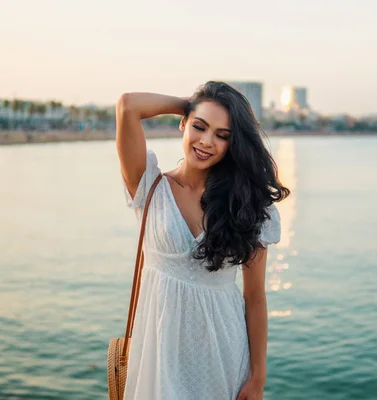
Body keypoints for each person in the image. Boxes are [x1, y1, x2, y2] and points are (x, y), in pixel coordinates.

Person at [116, 81, 290, 400]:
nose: (207, 142)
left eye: (223, 135)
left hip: (224, 358)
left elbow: (254, 298)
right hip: (158, 358)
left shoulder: (247, 206)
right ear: (183, 123)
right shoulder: (149, 186)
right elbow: (128, 106)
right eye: (199, 127)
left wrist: (258, 377)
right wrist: (188, 103)